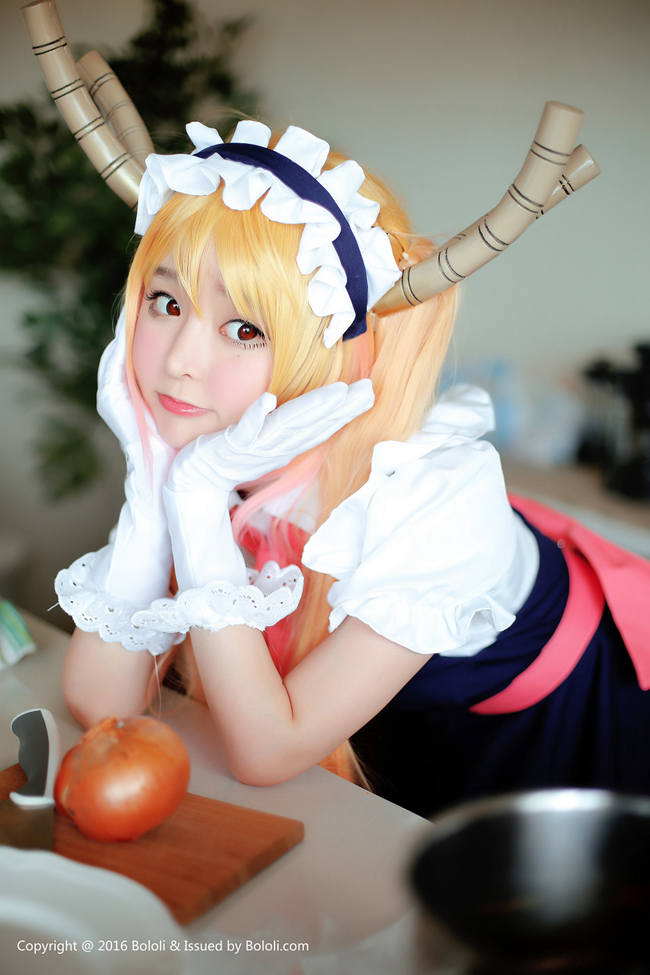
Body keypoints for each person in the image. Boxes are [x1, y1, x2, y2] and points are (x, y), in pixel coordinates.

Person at [55, 119, 650, 819]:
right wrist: (152, 479)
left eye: (245, 328)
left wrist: (193, 494)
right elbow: (103, 708)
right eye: (167, 302)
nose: (180, 359)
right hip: (367, 720)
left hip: (547, 729)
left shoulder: (435, 495)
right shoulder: (218, 445)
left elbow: (266, 753)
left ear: (331, 345)